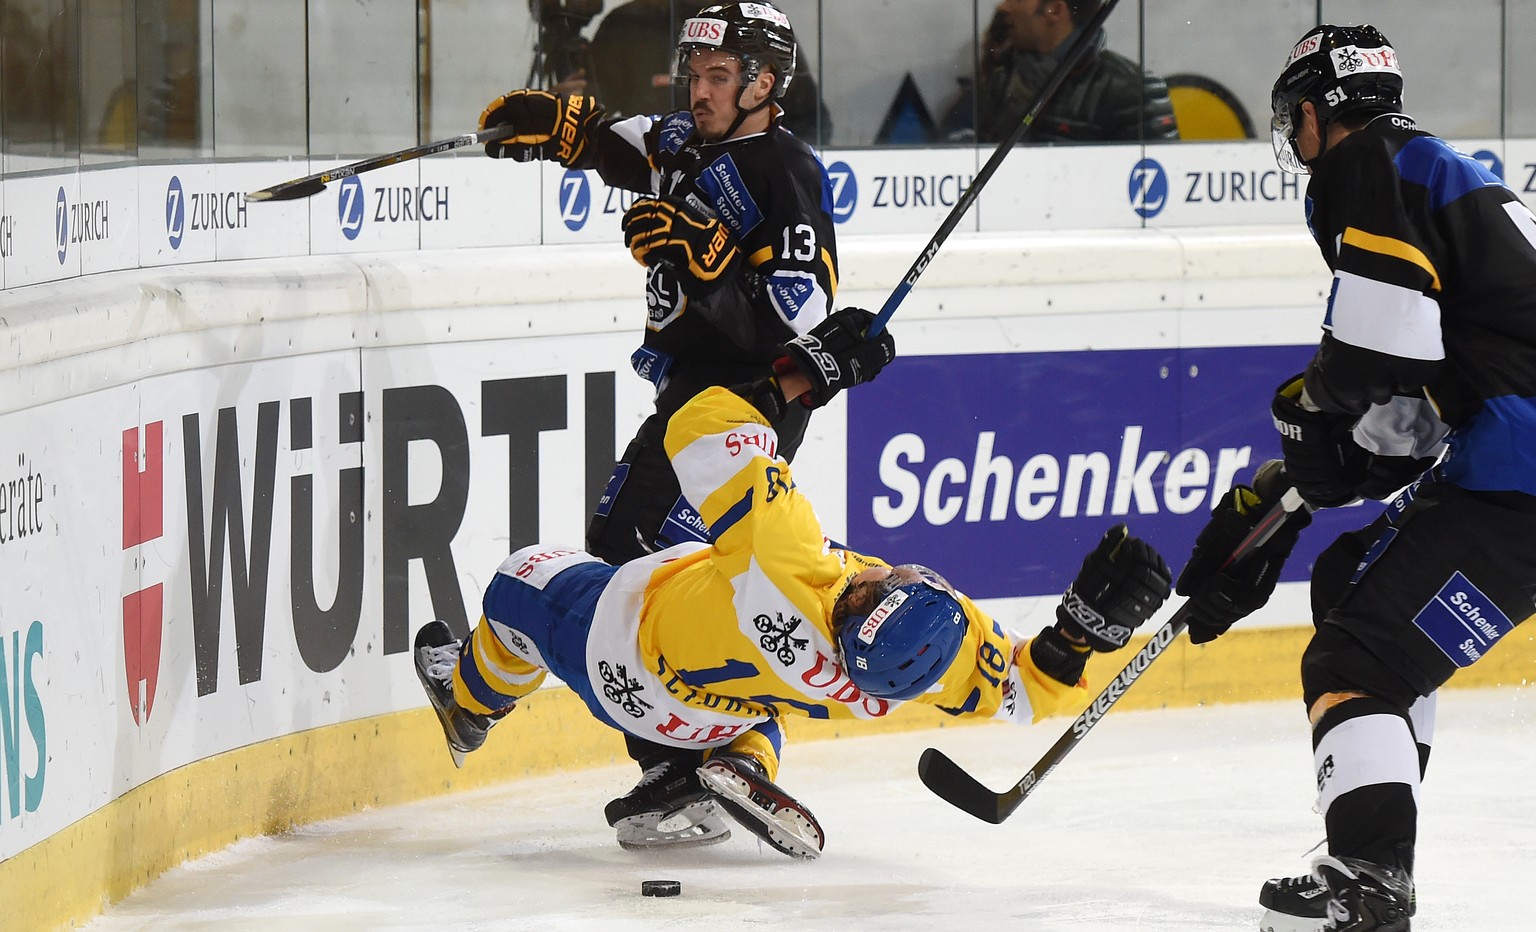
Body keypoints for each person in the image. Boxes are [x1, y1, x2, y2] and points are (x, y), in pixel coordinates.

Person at [412, 328, 1173, 858]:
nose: (896, 569)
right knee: (765, 699)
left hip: (622, 654)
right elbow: (1026, 692)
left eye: (893, 578)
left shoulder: (786, 560)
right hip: (711, 709)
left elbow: (698, 423)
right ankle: (741, 764)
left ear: (870, 592)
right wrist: (1075, 636)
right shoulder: (899, 678)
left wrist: (802, 374)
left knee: (521, 582)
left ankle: (469, 704)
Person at [1174, 24, 1536, 932]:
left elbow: (1377, 350)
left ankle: (1370, 876)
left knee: (1354, 656)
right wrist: (1298, 488)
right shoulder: (1439, 175)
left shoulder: (1368, 162)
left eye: (1291, 121)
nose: (1292, 143)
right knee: (1351, 592)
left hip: (1522, 465)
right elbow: (1411, 409)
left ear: (1313, 112)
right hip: (1513, 455)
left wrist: (1303, 414)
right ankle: (1370, 830)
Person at [474, 1, 845, 850]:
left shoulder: (784, 172)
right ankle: (691, 765)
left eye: (720, 78)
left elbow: (801, 322)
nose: (701, 91)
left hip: (744, 412)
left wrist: (712, 268)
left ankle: (725, 756)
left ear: (763, 83)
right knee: (623, 566)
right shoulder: (688, 140)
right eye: (696, 74)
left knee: (647, 580)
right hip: (683, 405)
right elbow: (625, 148)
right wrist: (562, 130)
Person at [578, 0, 833, 142]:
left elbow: (811, 121)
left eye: (719, 77)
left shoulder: (758, 29)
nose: (700, 90)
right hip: (661, 162)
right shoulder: (626, 25)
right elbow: (600, 111)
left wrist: (756, 163)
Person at [942, 0, 1178, 144]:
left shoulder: (1132, 89)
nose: (1005, 6)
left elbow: (1162, 185)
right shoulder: (1003, 78)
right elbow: (955, 150)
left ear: (1054, 11)